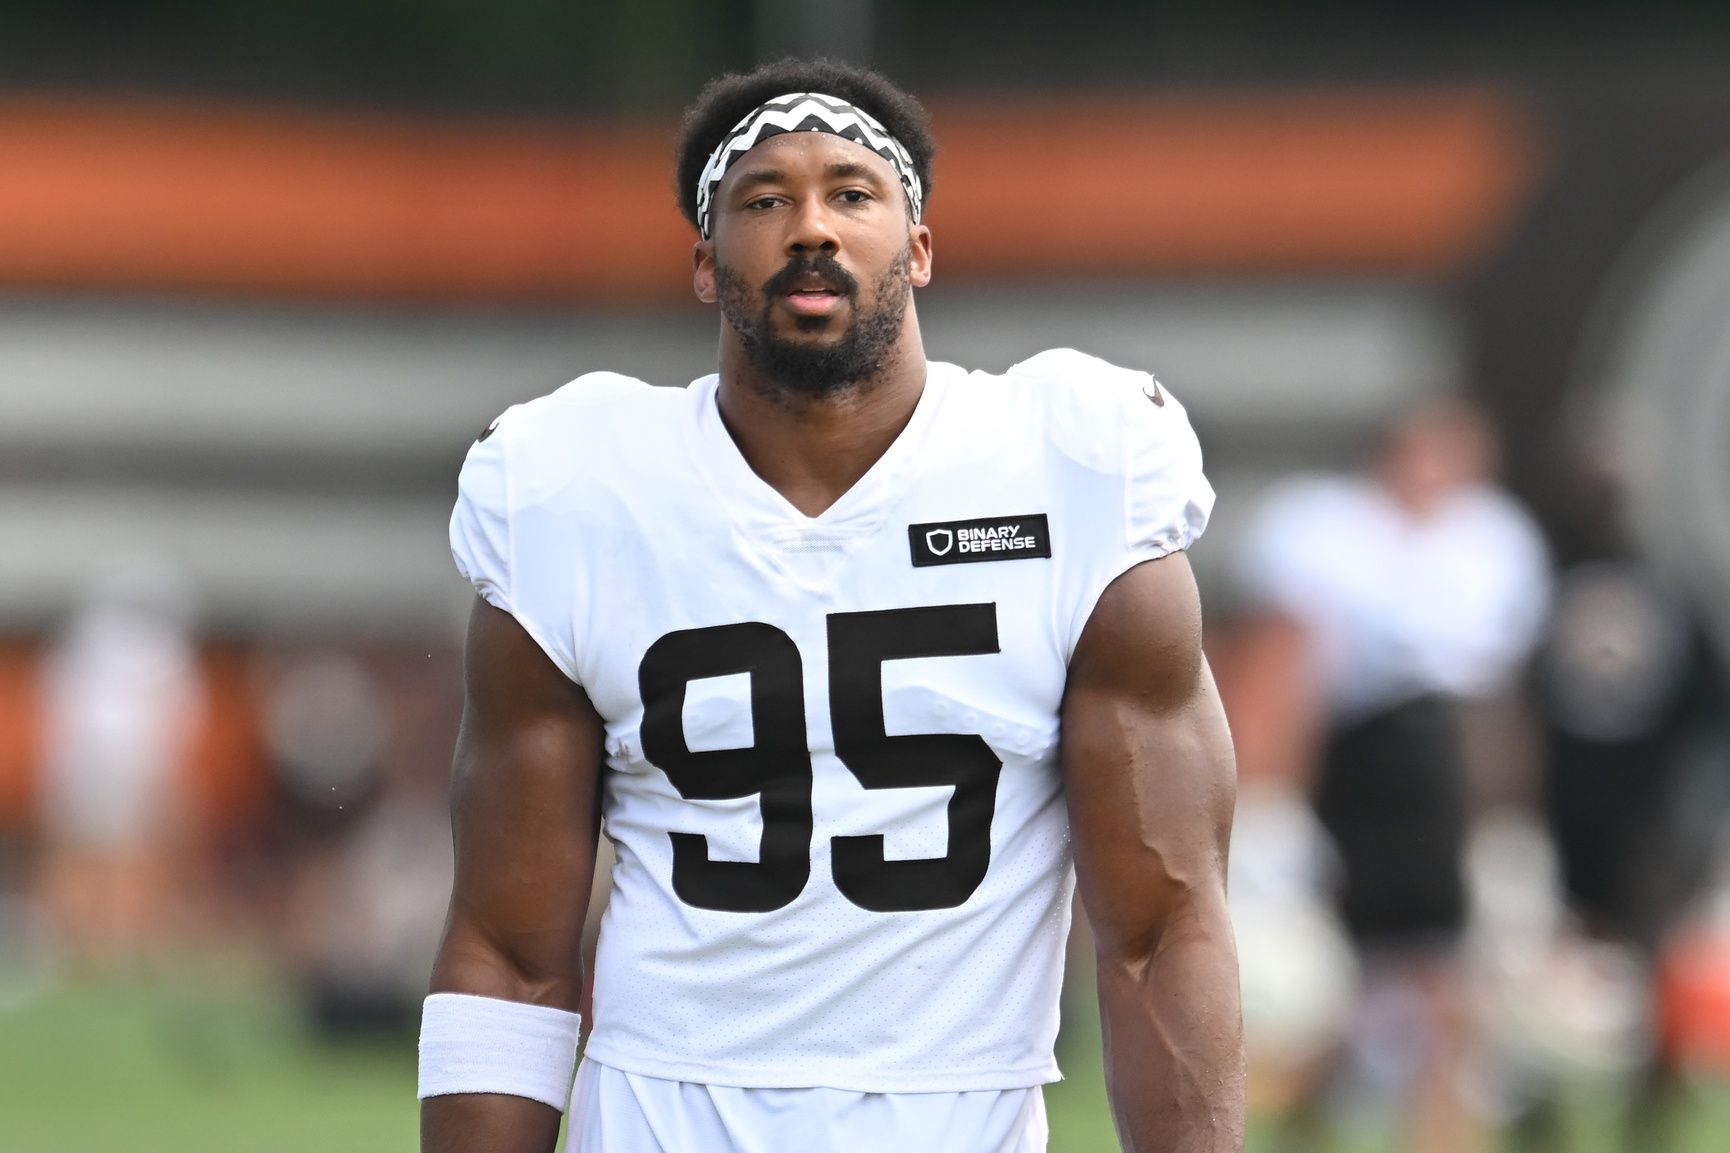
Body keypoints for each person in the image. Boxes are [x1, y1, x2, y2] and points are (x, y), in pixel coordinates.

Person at [419, 57, 1244, 1153]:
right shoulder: (575, 490)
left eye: (852, 193)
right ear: (705, 264)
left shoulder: (1071, 466)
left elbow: (1160, 924)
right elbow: (507, 949)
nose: (811, 228)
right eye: (764, 199)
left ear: (917, 247)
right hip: (659, 1120)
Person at [1234, 401, 1550, 1153]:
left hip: (1440, 772)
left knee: (1445, 983)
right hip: (1350, 763)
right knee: (1326, 993)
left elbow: (1498, 702)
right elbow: (1278, 667)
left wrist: (1509, 813)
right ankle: (1296, 1124)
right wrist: (1264, 798)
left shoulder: (1495, 543)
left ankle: (1439, 1137)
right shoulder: (1322, 531)